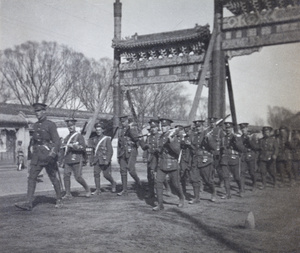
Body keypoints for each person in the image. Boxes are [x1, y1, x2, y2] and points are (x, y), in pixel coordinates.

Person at [15, 103, 63, 211]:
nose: (37, 113)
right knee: (31, 177)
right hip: (37, 155)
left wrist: (53, 154)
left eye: (39, 111)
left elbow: (56, 141)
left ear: (44, 111)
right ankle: (29, 202)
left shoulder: (50, 125)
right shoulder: (35, 125)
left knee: (53, 177)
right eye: (36, 111)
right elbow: (34, 141)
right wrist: (30, 153)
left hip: (48, 155)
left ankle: (59, 199)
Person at [153, 118, 184, 211]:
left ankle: (181, 198)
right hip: (161, 163)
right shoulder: (161, 137)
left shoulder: (173, 136)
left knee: (175, 184)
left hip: (172, 163)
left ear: (169, 126)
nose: (163, 128)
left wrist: (171, 142)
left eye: (165, 126)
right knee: (158, 182)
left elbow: (177, 151)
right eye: (162, 126)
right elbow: (158, 152)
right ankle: (160, 204)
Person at [60, 118, 91, 199]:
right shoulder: (67, 137)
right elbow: (63, 149)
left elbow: (83, 148)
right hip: (68, 159)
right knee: (66, 176)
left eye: (72, 126)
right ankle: (68, 194)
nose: (70, 127)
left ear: (75, 126)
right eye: (69, 126)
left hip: (77, 158)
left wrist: (75, 147)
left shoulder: (79, 136)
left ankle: (87, 190)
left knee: (78, 177)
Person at [189, 120, 217, 204]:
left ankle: (213, 192)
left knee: (208, 180)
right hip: (196, 159)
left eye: (199, 126)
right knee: (194, 179)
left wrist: (209, 138)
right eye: (196, 127)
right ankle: (196, 198)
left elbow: (214, 147)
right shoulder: (194, 135)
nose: (198, 128)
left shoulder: (207, 134)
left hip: (205, 160)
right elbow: (194, 147)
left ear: (203, 127)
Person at [88, 121, 116, 195]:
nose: (98, 132)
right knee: (96, 174)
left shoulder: (106, 139)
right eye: (97, 130)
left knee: (106, 175)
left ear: (103, 130)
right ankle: (98, 189)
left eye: (100, 130)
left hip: (104, 159)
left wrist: (107, 159)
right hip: (96, 160)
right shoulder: (93, 139)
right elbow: (91, 151)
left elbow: (110, 151)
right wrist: (91, 160)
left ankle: (113, 183)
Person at [117, 115, 141, 196]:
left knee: (131, 170)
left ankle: (138, 182)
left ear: (127, 121)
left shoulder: (132, 129)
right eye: (121, 121)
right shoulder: (120, 131)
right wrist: (118, 155)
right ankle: (124, 189)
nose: (122, 123)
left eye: (124, 121)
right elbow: (119, 144)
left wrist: (131, 130)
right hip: (122, 153)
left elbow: (137, 141)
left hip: (131, 152)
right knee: (122, 170)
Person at [220, 122, 245, 199]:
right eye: (226, 128)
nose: (228, 130)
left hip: (234, 159)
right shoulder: (223, 138)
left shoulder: (236, 137)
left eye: (229, 128)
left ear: (232, 129)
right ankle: (228, 194)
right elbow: (221, 148)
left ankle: (241, 189)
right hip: (225, 159)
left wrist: (236, 141)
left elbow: (242, 149)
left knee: (237, 177)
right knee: (225, 177)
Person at [140, 119, 161, 199]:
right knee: (150, 176)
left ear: (157, 128)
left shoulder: (160, 136)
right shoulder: (149, 137)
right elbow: (145, 147)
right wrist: (144, 157)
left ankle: (163, 190)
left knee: (158, 176)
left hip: (158, 158)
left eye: (154, 127)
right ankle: (151, 192)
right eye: (151, 127)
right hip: (150, 158)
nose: (153, 129)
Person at [239, 123, 258, 192]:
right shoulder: (240, 138)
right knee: (242, 172)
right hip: (243, 156)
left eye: (244, 129)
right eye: (241, 129)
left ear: (247, 128)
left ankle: (254, 184)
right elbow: (239, 147)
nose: (243, 130)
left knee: (252, 172)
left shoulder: (252, 137)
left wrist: (250, 140)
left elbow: (255, 147)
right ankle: (242, 188)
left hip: (251, 156)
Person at [179, 125, 193, 197]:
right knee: (182, 172)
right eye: (185, 130)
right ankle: (183, 189)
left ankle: (197, 189)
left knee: (192, 174)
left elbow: (196, 147)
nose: (187, 131)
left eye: (188, 130)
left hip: (191, 157)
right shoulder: (183, 137)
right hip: (184, 158)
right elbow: (180, 145)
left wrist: (190, 145)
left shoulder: (193, 137)